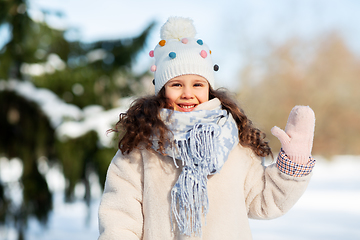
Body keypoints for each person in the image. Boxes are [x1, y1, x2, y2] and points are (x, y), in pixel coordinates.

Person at [98, 17, 316, 240]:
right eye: (176, 84)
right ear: (163, 89)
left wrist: (292, 165)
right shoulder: (141, 148)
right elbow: (120, 215)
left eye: (197, 84)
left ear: (209, 89)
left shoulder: (235, 143)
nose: (187, 93)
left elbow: (262, 201)